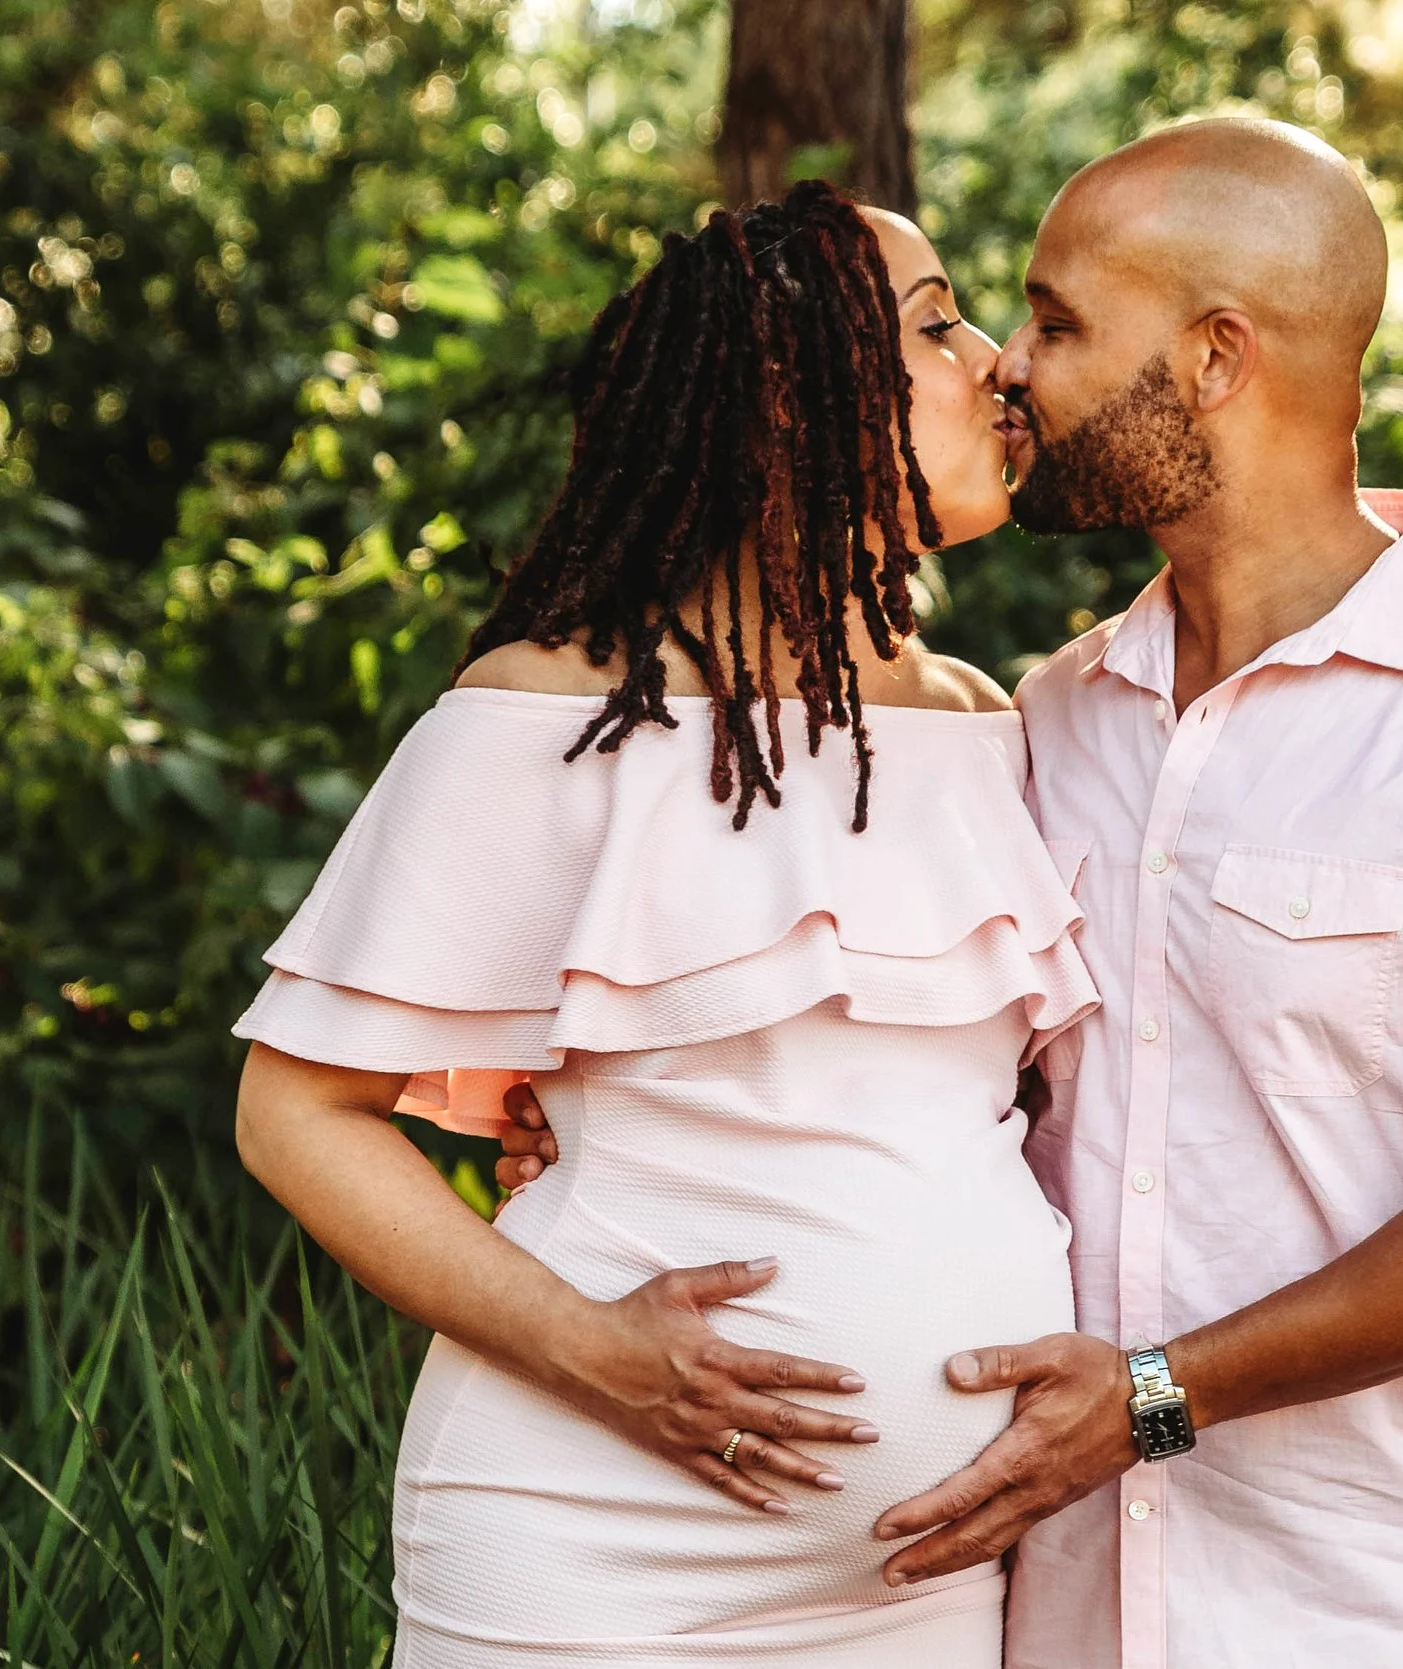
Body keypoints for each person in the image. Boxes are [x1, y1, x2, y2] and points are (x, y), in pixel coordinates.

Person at [499, 119, 1403, 1669]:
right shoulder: (1048, 716)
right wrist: (621, 1111)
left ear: (1216, 359)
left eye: (1059, 323)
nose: (1009, 366)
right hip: (1064, 1612)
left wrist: (1163, 1392)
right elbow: (957, 1074)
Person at [231, 181, 1098, 1667]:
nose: (996, 363)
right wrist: (599, 1354)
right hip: (596, 1539)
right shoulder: (549, 712)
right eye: (937, 324)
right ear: (787, 398)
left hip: (930, 1572)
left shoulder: (987, 725)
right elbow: (296, 1113)